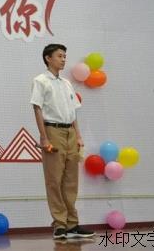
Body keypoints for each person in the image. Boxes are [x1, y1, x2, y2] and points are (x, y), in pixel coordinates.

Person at [30, 44, 95, 240]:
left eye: (65, 56)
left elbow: (73, 112)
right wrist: (44, 137)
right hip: (53, 131)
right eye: (59, 56)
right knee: (54, 180)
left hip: (70, 132)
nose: (64, 59)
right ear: (48, 58)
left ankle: (72, 224)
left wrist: (79, 135)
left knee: (71, 180)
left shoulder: (67, 83)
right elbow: (37, 108)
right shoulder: (40, 81)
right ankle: (59, 224)